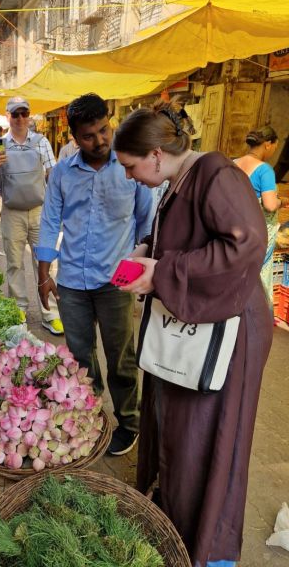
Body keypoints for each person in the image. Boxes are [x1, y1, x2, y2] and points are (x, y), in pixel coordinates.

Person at [113, 102, 273, 567]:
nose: (128, 176)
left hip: (228, 335)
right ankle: (176, 515)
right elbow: (184, 238)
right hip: (193, 330)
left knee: (210, 436)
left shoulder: (217, 175)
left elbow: (247, 246)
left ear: (157, 154)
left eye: (130, 166)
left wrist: (163, 271)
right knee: (179, 429)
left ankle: (209, 545)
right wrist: (148, 249)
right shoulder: (176, 180)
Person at [36, 93, 152, 454]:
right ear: (74, 137)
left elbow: (146, 223)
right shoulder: (61, 174)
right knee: (79, 356)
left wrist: (138, 274)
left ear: (111, 119)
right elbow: (50, 221)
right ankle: (90, 416)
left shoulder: (130, 166)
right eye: (89, 135)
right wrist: (44, 274)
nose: (100, 140)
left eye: (104, 129)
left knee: (121, 357)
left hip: (116, 279)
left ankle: (129, 422)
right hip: (71, 280)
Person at [0, 97, 63, 335]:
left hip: (39, 212)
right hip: (12, 213)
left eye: (24, 113)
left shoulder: (41, 142)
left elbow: (53, 176)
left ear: (29, 115)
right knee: (15, 263)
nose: (20, 118)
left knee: (44, 263)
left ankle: (50, 313)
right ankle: (18, 309)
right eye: (15, 114)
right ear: (7, 116)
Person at [234, 126, 289, 307]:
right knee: (259, 271)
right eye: (275, 146)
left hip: (235, 226)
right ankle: (257, 311)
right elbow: (270, 204)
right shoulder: (265, 170)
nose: (274, 151)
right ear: (267, 144)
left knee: (237, 267)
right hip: (259, 230)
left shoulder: (233, 163)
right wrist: (282, 201)